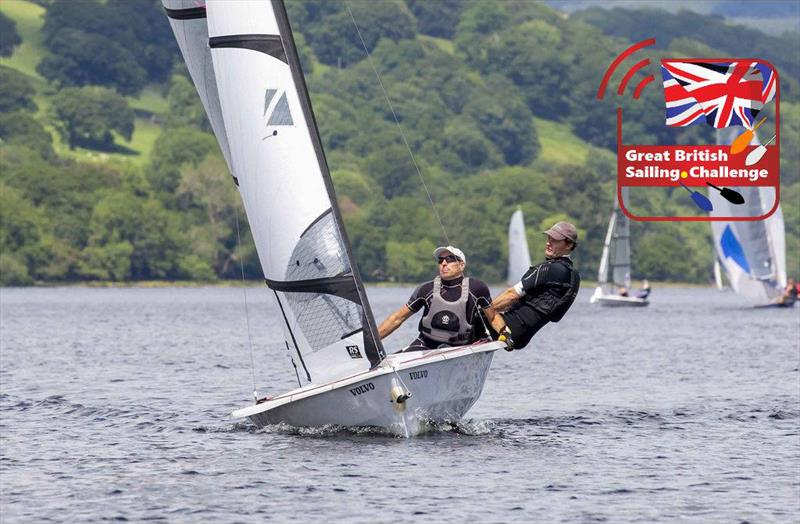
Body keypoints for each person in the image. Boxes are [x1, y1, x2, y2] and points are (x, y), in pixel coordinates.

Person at [377, 246, 493, 351]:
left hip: (461, 347)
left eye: (450, 259)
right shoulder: (426, 289)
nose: (444, 263)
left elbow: (493, 318)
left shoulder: (477, 288)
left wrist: (505, 334)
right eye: (440, 260)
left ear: (462, 265)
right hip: (426, 344)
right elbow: (397, 318)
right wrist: (370, 342)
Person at [488, 221, 581, 351]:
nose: (549, 242)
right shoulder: (574, 276)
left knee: (472, 308)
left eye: (555, 240)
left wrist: (484, 311)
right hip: (523, 336)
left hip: (509, 327)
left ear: (569, 244)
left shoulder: (548, 269)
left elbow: (511, 295)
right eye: (549, 238)